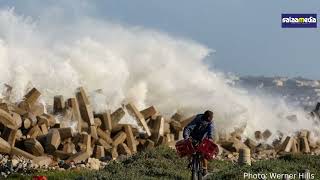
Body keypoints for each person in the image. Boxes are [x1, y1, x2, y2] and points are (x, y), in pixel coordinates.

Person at [183, 110, 215, 176]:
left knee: (204, 153)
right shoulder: (198, 118)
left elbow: (211, 131)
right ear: (208, 117)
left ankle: (205, 168)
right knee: (189, 149)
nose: (211, 119)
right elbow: (188, 128)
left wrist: (210, 139)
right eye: (210, 118)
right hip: (193, 137)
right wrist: (186, 137)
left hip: (203, 139)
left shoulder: (210, 123)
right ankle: (190, 162)